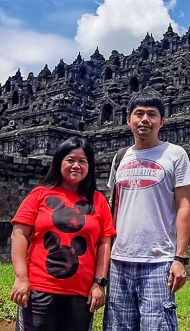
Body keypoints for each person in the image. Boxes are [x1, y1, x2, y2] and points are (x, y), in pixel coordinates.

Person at [103, 93, 190, 331]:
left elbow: (184, 206)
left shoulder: (175, 154)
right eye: (139, 114)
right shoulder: (120, 157)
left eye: (152, 114)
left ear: (161, 121)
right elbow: (113, 207)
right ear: (128, 120)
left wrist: (180, 258)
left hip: (159, 261)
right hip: (118, 260)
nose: (145, 119)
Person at [9, 136, 116, 330]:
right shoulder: (39, 195)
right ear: (59, 162)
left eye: (82, 161)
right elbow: (19, 235)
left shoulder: (98, 200)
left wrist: (99, 283)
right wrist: (21, 277)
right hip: (39, 289)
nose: (76, 166)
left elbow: (104, 243)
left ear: (89, 166)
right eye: (70, 160)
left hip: (81, 293)